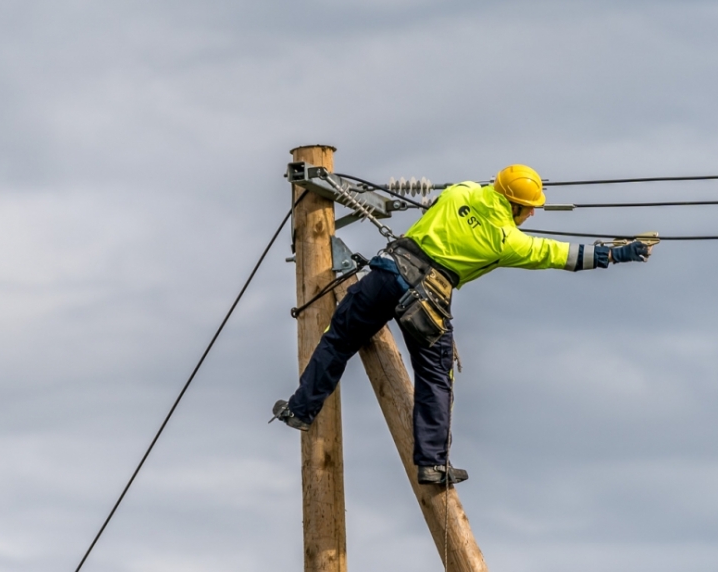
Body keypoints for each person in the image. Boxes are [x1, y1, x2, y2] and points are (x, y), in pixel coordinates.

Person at [272, 164, 652, 485]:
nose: (533, 214)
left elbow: (447, 199)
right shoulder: (507, 241)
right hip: (427, 297)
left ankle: (300, 410)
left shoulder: (462, 191)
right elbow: (558, 254)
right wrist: (613, 254)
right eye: (529, 208)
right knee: (436, 377)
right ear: (516, 205)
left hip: (387, 273)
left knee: (337, 339)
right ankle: (433, 463)